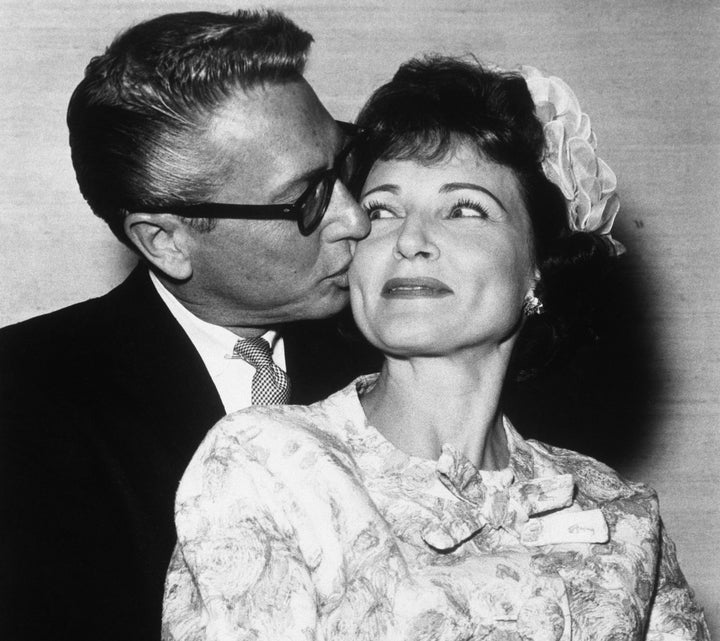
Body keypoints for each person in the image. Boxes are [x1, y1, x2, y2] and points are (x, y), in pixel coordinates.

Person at [163, 57, 710, 640]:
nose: (411, 240)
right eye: (381, 211)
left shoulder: (619, 514)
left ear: (538, 270)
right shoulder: (268, 464)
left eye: (463, 209)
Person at [0, 9, 379, 641]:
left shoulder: (397, 347)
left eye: (342, 165)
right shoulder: (22, 404)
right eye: (308, 198)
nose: (356, 218)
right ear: (166, 243)